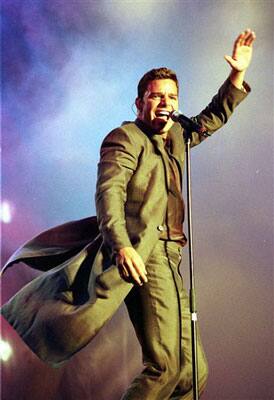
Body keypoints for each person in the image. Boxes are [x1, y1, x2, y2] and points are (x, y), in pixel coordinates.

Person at [1, 29, 255, 399]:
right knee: (165, 366)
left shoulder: (177, 136)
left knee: (192, 372)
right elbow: (109, 194)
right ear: (139, 103)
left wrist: (236, 76)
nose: (165, 103)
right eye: (157, 96)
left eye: (172, 97)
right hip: (145, 252)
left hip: (172, 256)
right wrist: (121, 246)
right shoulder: (125, 138)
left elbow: (212, 117)